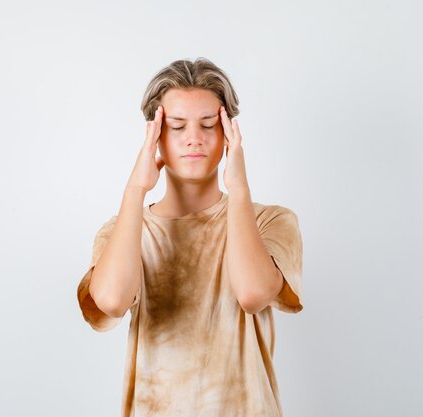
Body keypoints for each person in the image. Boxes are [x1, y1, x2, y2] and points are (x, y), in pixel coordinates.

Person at [76, 57, 303, 417]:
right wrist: (135, 190)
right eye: (177, 126)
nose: (194, 139)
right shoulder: (124, 230)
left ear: (229, 131)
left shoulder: (269, 221)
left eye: (208, 124)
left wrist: (239, 188)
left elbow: (252, 293)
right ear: (155, 134)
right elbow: (111, 301)